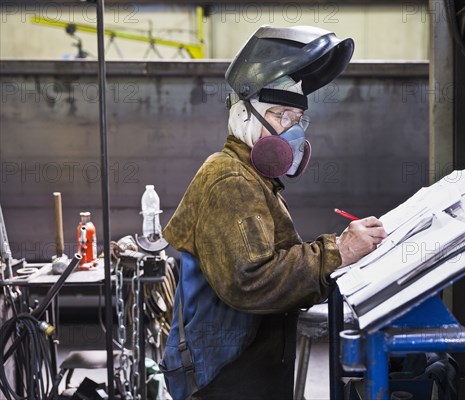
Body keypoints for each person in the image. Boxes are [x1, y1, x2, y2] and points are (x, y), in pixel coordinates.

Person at [159, 25, 387, 400]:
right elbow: (253, 281)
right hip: (224, 375)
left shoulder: (251, 177)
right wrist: (338, 251)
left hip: (243, 365)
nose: (293, 133)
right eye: (282, 116)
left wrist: (337, 254)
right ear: (246, 117)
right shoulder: (230, 180)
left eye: (298, 121)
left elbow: (274, 262)